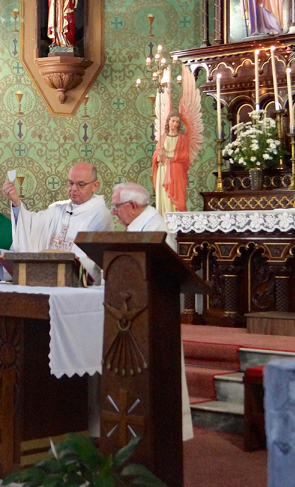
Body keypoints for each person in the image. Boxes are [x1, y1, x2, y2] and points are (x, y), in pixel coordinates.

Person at [111, 182, 192, 441]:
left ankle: (158, 429)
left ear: (132, 206)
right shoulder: (139, 226)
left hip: (152, 313)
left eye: (116, 207)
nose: (114, 213)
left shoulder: (155, 229)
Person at [2, 162, 113, 283]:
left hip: (78, 285)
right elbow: (30, 226)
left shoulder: (100, 215)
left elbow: (90, 258)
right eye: (70, 183)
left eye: (81, 184)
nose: (73, 189)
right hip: (48, 281)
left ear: (95, 185)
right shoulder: (58, 210)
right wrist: (16, 203)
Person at [152, 111, 191, 215]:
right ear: (168, 121)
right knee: (163, 196)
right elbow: (156, 154)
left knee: (178, 198)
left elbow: (185, 156)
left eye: (178, 122)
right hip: (163, 170)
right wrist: (158, 157)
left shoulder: (183, 138)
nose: (175, 124)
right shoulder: (162, 137)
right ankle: (164, 224)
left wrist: (167, 154)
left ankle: (176, 224)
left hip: (176, 172)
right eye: (173, 121)